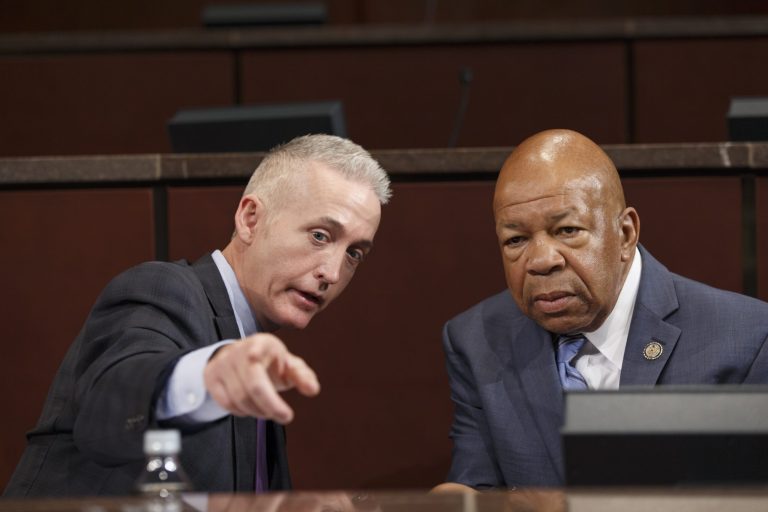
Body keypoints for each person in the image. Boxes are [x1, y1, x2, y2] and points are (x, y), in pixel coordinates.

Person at [4, 134, 391, 496]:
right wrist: (203, 376)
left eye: (354, 253)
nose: (333, 273)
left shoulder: (252, 352)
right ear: (250, 219)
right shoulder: (164, 290)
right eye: (320, 236)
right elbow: (110, 400)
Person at [435, 129, 768, 492]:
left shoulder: (748, 339)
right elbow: (478, 490)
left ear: (625, 234)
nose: (542, 261)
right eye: (516, 239)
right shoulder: (476, 340)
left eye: (567, 230)